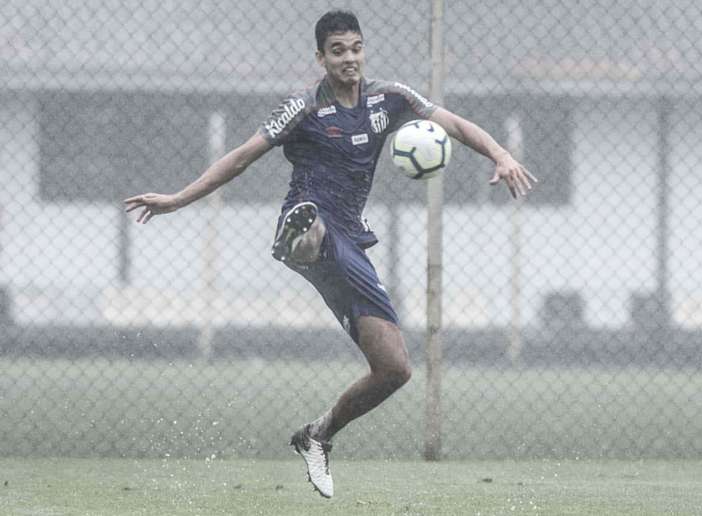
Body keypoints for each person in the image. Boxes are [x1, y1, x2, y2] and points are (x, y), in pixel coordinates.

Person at [124, 9, 536, 499]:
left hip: (352, 243)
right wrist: (177, 199)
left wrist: (501, 154)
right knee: (312, 224)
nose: (349, 59)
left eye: (356, 48)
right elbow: (240, 157)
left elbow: (456, 124)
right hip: (312, 220)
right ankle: (300, 240)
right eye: (337, 51)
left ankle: (317, 435)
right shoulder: (302, 109)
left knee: (395, 370)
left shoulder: (391, 99)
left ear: (364, 50)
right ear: (320, 58)